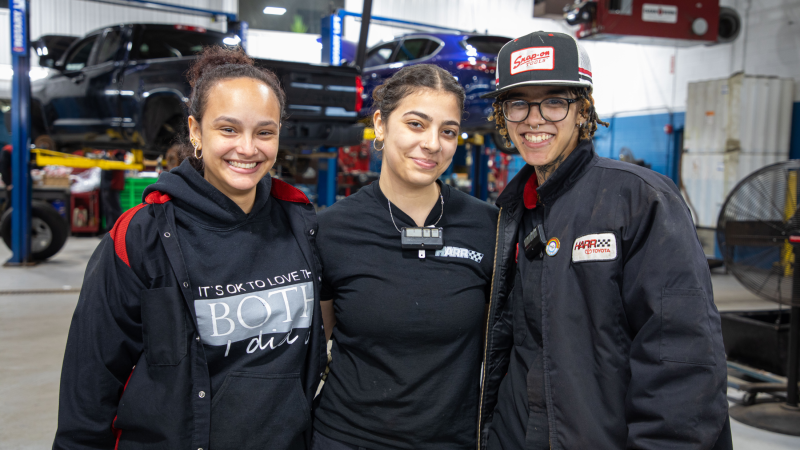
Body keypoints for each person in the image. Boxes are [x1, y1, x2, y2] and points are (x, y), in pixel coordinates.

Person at [53, 46, 326, 449]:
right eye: (228, 129)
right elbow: (90, 382)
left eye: (264, 132)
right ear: (196, 131)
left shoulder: (300, 222)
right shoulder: (139, 238)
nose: (248, 148)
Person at [478, 32, 731, 449]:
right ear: (503, 115)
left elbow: (683, 359)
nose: (534, 118)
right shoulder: (511, 213)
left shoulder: (639, 199)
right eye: (518, 103)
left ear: (584, 110)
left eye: (555, 101)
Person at [313, 64, 498, 449]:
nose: (433, 143)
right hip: (348, 437)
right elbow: (320, 336)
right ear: (380, 124)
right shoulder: (332, 230)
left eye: (448, 131)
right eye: (416, 124)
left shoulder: (488, 227)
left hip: (453, 439)